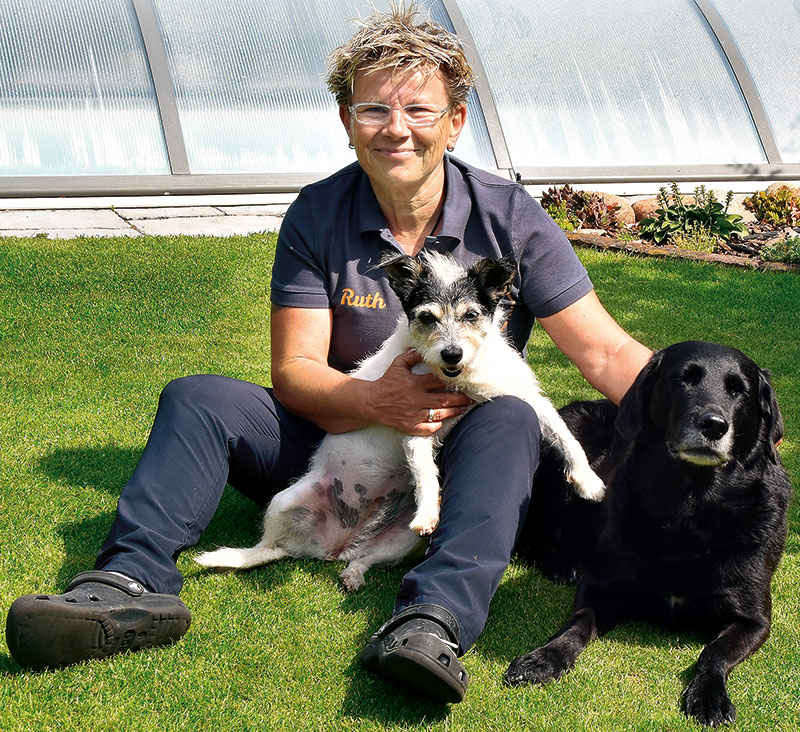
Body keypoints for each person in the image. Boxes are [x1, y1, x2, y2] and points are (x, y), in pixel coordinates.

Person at [5, 4, 652, 702]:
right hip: (341, 437)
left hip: (461, 455)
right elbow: (296, 372)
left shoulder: (509, 215)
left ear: (455, 121)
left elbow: (607, 353)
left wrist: (715, 418)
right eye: (373, 108)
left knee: (514, 419)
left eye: (419, 110)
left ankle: (431, 620)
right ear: (347, 123)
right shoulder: (317, 213)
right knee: (196, 397)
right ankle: (125, 586)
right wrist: (376, 401)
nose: (396, 128)